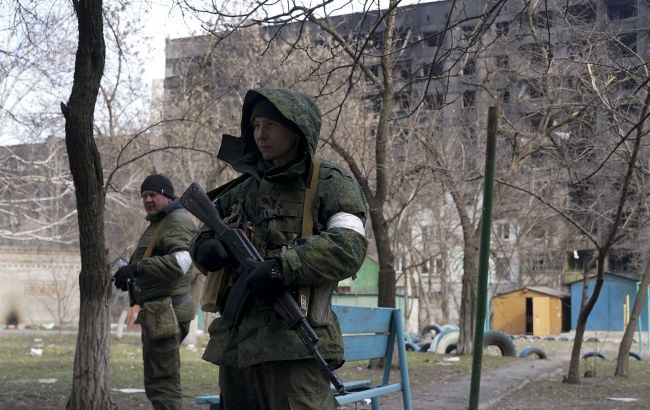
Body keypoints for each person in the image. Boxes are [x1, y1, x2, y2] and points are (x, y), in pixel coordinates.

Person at [191, 88, 368, 409]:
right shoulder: (243, 188)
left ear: (297, 127)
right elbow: (203, 231)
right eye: (255, 125)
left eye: (270, 125)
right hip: (238, 347)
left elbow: (350, 246)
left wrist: (282, 266)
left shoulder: (330, 182)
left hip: (294, 346)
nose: (260, 134)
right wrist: (205, 248)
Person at [113, 174, 197, 410]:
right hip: (159, 312)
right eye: (144, 196)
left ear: (167, 195)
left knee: (163, 383)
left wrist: (136, 268)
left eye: (153, 194)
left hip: (168, 313)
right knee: (158, 381)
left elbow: (181, 262)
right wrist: (130, 278)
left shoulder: (177, 220)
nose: (148, 199)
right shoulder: (161, 222)